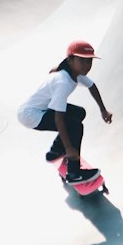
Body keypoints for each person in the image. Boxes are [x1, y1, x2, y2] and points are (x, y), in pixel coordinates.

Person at [16, 38, 113, 184]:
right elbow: (58, 119)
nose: (87, 65)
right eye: (83, 60)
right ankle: (74, 173)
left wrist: (103, 110)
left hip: (40, 109)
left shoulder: (75, 73)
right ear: (70, 60)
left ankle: (55, 151)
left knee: (80, 113)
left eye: (90, 61)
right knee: (75, 127)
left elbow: (92, 86)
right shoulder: (63, 82)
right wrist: (69, 148)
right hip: (31, 116)